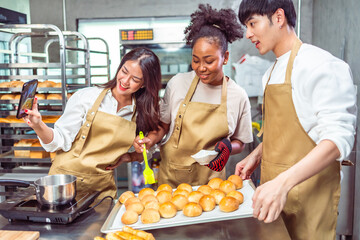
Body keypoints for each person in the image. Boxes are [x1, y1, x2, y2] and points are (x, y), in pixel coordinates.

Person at [235, 0, 357, 239]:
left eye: (252, 23)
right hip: (273, 200)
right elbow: (291, 131)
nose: (248, 34)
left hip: (309, 201)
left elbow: (337, 139)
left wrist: (283, 183)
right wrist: (258, 153)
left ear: (278, 18)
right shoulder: (270, 74)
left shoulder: (322, 65)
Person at [133, 4, 253, 188]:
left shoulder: (238, 95)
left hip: (213, 185)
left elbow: (240, 142)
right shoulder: (178, 83)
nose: (201, 68)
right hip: (172, 182)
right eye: (195, 60)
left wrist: (228, 148)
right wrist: (150, 139)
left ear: (225, 57)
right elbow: (163, 126)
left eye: (209, 61)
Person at [24, 47, 162, 200]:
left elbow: (147, 149)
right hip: (63, 186)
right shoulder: (86, 97)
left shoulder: (142, 111)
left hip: (102, 190)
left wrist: (130, 156)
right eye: (124, 71)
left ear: (144, 85)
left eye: (135, 79)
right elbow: (57, 142)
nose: (125, 81)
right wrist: (38, 125)